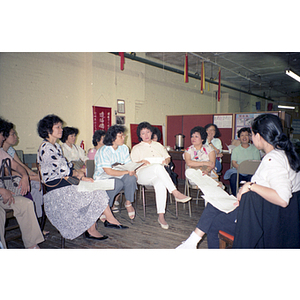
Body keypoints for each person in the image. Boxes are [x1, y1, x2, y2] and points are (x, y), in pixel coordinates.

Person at [176, 113, 300, 249]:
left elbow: (283, 198)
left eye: (252, 134)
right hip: (265, 212)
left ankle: (192, 242)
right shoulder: (285, 154)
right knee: (215, 203)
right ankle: (191, 242)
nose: (251, 138)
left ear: (259, 136)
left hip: (261, 219)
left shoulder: (273, 159)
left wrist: (250, 186)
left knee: (213, 223)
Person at [37, 115, 127, 241]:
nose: (61, 129)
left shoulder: (56, 146)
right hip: (56, 191)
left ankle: (96, 226)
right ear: (47, 130)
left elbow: (66, 168)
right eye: (57, 127)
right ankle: (103, 223)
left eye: (60, 127)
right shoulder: (46, 148)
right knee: (95, 192)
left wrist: (81, 176)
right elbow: (64, 170)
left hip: (65, 184)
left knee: (95, 189)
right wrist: (78, 174)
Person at [130, 122, 191, 229]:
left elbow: (168, 158)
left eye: (148, 132)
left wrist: (166, 161)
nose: (146, 135)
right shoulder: (136, 148)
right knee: (158, 167)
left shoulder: (158, 145)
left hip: (158, 173)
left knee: (161, 183)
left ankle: (161, 216)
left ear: (151, 132)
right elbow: (133, 166)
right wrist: (142, 162)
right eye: (143, 133)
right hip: (142, 174)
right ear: (140, 135)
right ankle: (175, 192)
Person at [0, 117, 44, 249]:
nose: (3, 139)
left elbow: (17, 166)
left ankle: (32, 245)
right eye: (2, 135)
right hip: (2, 193)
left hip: (3, 195)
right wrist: (2, 190)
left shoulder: (1, 152)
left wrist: (25, 176)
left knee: (26, 203)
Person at [93, 124, 137, 220]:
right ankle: (105, 208)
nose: (124, 137)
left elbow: (128, 163)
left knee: (131, 178)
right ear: (113, 138)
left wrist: (133, 171)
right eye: (120, 136)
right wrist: (126, 172)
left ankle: (128, 203)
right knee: (117, 183)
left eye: (123, 135)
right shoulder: (103, 151)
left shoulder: (124, 148)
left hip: (119, 173)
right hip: (104, 176)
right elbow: (108, 171)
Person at [224, 127, 261, 196]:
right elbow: (234, 163)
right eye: (242, 135)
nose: (244, 137)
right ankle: (235, 196)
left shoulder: (255, 149)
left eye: (246, 135)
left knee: (253, 179)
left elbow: (256, 163)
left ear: (250, 137)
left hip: (251, 172)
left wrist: (247, 170)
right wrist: (242, 169)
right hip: (239, 172)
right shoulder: (236, 150)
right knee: (233, 177)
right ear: (239, 138)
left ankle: (249, 197)